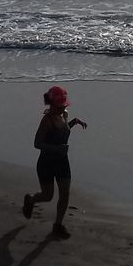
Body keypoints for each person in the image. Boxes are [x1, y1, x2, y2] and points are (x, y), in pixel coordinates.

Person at [21, 85, 87, 239]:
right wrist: (57, 149)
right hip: (46, 163)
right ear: (51, 104)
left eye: (64, 104)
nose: (62, 107)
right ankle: (30, 200)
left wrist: (74, 122)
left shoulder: (65, 114)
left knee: (65, 193)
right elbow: (37, 143)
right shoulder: (47, 120)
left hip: (63, 162)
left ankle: (58, 225)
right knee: (47, 196)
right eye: (59, 105)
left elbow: (63, 131)